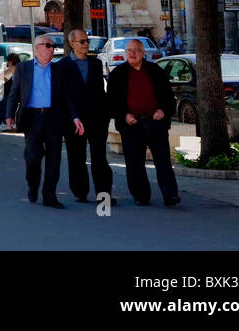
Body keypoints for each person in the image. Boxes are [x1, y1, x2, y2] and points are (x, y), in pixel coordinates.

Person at [6, 35, 82, 208]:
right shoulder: (23, 69)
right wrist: (9, 114)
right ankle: (33, 186)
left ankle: (50, 196)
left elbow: (67, 98)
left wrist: (75, 117)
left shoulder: (59, 70)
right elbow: (14, 93)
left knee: (54, 158)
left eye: (52, 46)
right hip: (32, 118)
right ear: (37, 48)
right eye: (47, 45)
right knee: (33, 157)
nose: (51, 49)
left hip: (54, 117)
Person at [106, 38, 180, 207]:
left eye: (136, 50)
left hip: (155, 123)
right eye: (129, 50)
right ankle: (141, 196)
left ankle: (170, 195)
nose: (132, 53)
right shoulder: (118, 74)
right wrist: (124, 115)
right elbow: (111, 101)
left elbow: (169, 98)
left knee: (163, 161)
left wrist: (162, 110)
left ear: (143, 53)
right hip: (131, 125)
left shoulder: (155, 71)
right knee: (134, 163)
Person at [57, 29, 116, 205]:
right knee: (76, 156)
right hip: (73, 119)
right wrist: (71, 116)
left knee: (99, 157)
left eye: (87, 41)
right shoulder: (62, 66)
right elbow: (63, 95)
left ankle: (104, 194)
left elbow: (100, 90)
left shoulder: (96, 63)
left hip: (97, 118)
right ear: (72, 43)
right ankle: (80, 191)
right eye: (82, 41)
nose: (86, 44)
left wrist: (106, 114)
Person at [0, 52, 21, 130]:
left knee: (2, 102)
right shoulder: (14, 69)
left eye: (8, 62)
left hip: (16, 95)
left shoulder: (16, 68)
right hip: (11, 94)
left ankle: (3, 121)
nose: (7, 63)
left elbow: (2, 77)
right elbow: (3, 78)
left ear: (10, 62)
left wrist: (9, 70)